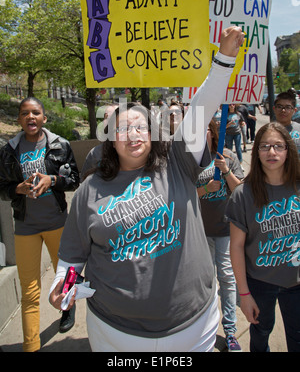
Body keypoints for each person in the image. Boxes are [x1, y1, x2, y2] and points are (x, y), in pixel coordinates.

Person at [49, 27, 245, 353]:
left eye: (141, 126)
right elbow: (71, 258)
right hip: (116, 336)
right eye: (124, 128)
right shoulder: (88, 193)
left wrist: (223, 60)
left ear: (153, 134)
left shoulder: (179, 162)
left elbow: (200, 111)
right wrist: (61, 287)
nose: (134, 134)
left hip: (194, 328)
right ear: (111, 139)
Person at [0, 97, 80, 352]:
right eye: (25, 113)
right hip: (25, 227)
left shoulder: (60, 145)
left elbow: (75, 180)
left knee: (66, 276)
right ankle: (31, 345)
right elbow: (2, 189)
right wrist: (17, 189)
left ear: (44, 118)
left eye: (35, 112)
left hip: (57, 222)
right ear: (19, 119)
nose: (30, 117)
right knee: (30, 291)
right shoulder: (8, 150)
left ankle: (68, 308)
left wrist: (53, 179)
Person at [227, 122, 300, 352]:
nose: (271, 152)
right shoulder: (243, 194)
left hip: (296, 283)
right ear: (256, 151)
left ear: (288, 150)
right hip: (260, 283)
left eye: (278, 146)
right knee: (261, 335)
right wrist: (244, 294)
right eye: (265, 146)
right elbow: (236, 247)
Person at [197, 119, 244, 351]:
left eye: (205, 129)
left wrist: (225, 171)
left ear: (213, 132)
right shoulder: (190, 162)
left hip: (226, 230)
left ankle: (231, 330)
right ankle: (206, 328)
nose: (200, 134)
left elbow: (240, 191)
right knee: (205, 282)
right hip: (200, 233)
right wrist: (206, 189)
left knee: (227, 278)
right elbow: (181, 195)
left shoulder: (227, 156)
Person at [273, 88, 300, 155]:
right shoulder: (266, 131)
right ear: (274, 109)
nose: (283, 110)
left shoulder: (298, 129)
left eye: (288, 107)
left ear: (294, 110)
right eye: (279, 106)